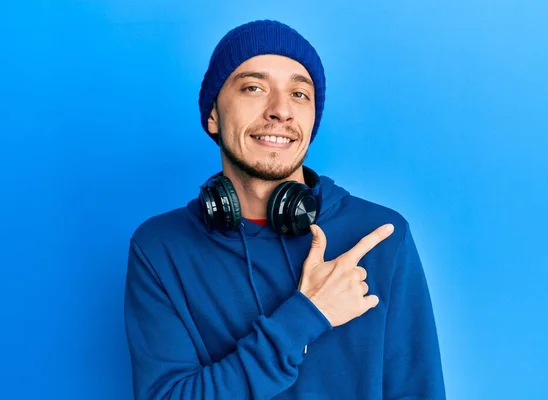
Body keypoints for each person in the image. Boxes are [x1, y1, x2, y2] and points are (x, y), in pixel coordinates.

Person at [124, 19, 445, 399]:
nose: (281, 111)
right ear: (213, 115)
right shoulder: (161, 246)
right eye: (254, 87)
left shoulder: (380, 234)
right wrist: (306, 315)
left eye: (299, 94)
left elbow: (418, 391)